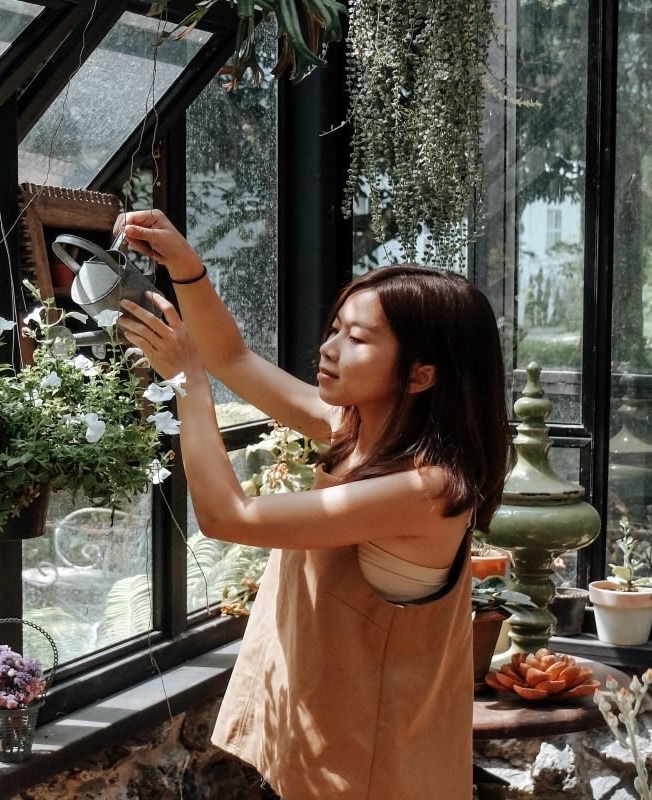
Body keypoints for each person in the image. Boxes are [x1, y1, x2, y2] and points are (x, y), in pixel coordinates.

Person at [113, 209, 509, 800]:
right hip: (329, 729)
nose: (328, 348)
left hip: (374, 764)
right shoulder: (356, 430)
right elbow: (233, 359)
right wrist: (186, 267)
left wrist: (187, 383)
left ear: (421, 376)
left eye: (358, 339)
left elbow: (229, 517)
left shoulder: (427, 489)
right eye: (335, 328)